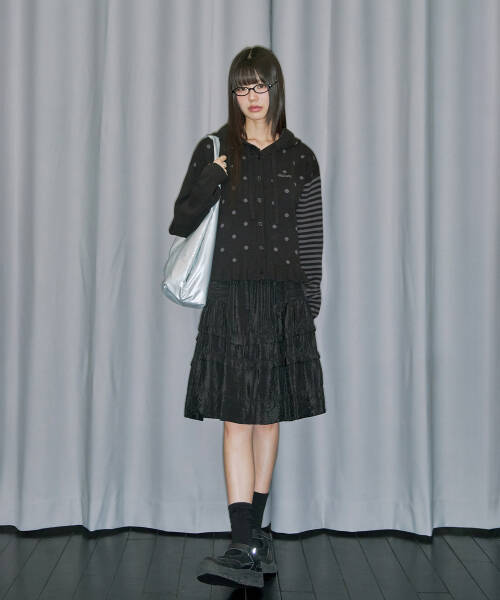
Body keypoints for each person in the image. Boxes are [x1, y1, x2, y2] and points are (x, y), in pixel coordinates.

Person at [168, 45, 326, 589]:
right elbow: (181, 220)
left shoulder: (301, 157)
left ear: (276, 90)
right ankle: (242, 544)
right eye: (242, 87)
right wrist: (213, 176)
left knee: (268, 419)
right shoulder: (216, 149)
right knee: (237, 419)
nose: (252, 97)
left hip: (284, 301)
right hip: (231, 299)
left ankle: (255, 536)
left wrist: (309, 305)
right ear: (233, 94)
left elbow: (310, 238)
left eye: (260, 86)